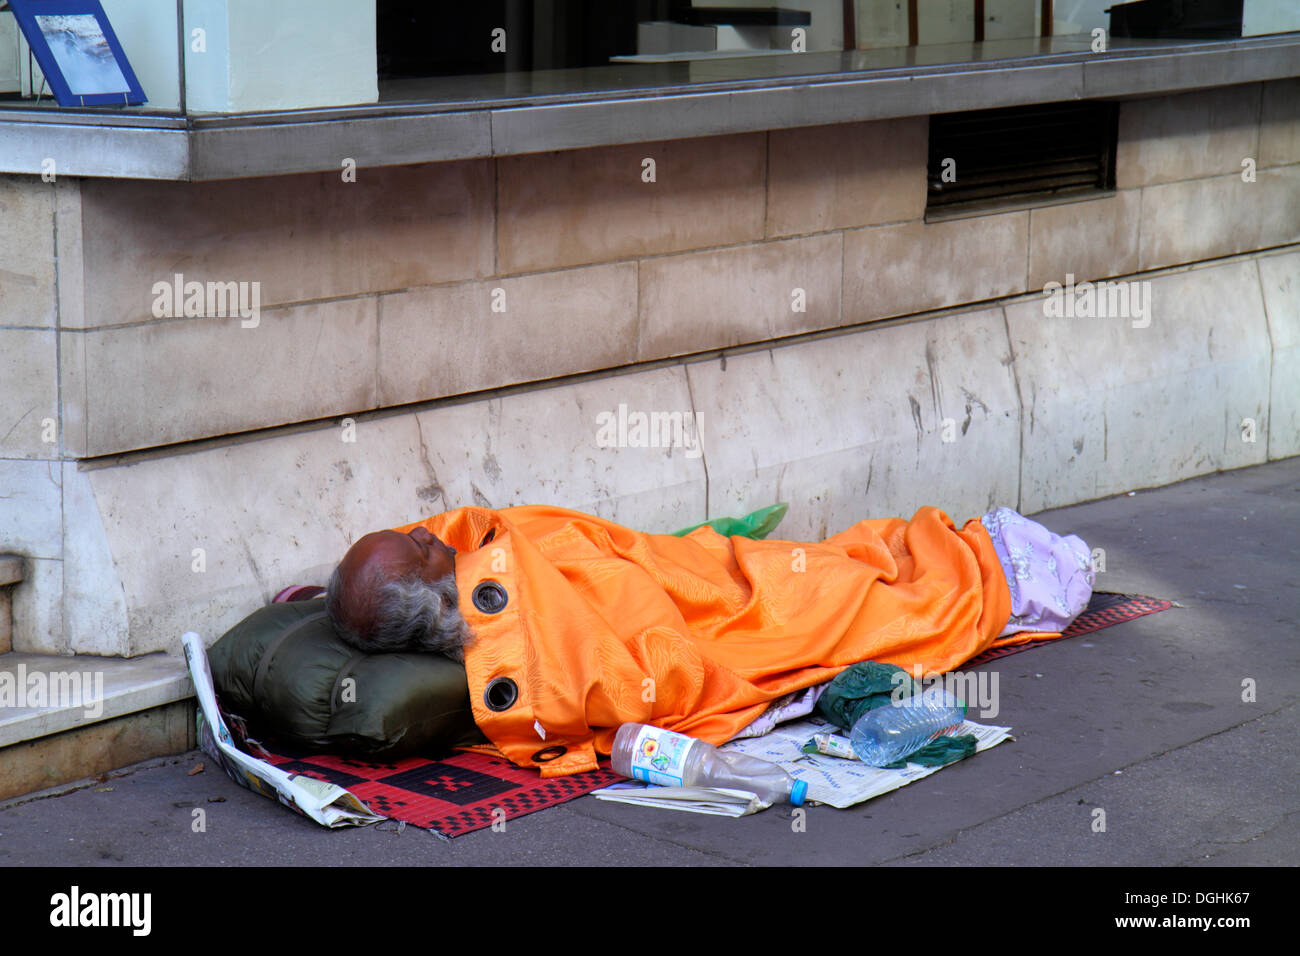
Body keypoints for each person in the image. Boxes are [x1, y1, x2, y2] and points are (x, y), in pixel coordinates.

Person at [326, 504, 1093, 777]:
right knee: (831, 600)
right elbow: (638, 667)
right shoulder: (515, 639)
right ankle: (983, 570)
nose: (429, 531)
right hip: (702, 622)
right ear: (431, 599)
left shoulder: (481, 546)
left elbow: (628, 556)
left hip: (697, 573)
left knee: (779, 569)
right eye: (418, 547)